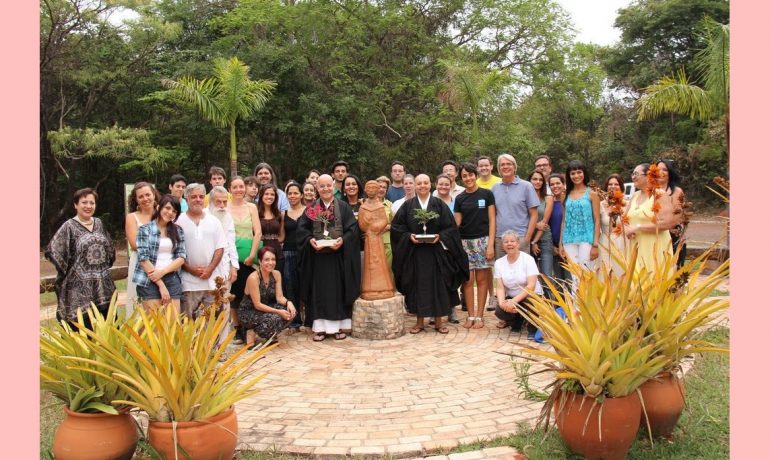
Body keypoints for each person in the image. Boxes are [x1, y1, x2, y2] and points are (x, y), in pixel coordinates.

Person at [391, 174, 469, 334]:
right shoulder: (408, 206)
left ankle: (439, 322)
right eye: (419, 183)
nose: (422, 186)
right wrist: (408, 236)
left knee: (438, 285)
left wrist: (440, 236)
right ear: (414, 185)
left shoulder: (438, 204)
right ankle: (419, 322)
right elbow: (397, 228)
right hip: (416, 253)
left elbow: (450, 228)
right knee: (417, 286)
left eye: (425, 182)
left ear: (430, 184)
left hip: (436, 252)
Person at [297, 174, 361, 341]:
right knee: (320, 291)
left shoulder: (343, 206)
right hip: (318, 259)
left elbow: (353, 230)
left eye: (328, 185)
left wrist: (343, 240)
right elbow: (302, 230)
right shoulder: (313, 208)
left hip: (338, 257)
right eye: (322, 186)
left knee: (338, 290)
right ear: (317, 188)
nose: (325, 189)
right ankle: (320, 328)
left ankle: (339, 327)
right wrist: (310, 240)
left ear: (333, 186)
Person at [46, 188, 116, 329]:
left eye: (92, 203)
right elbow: (53, 250)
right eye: (84, 202)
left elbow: (109, 249)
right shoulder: (69, 226)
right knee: (83, 329)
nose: (88, 206)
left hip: (103, 286)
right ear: (75, 205)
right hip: (78, 289)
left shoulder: (99, 224)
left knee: (106, 330)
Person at [454, 163, 496, 329]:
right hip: (465, 243)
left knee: (482, 279)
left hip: (483, 241)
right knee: (468, 280)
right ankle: (470, 315)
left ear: (475, 175)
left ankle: (479, 316)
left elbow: (492, 220)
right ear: (461, 178)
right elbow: (457, 222)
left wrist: (491, 244)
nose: (468, 178)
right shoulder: (460, 198)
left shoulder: (487, 194)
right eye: (464, 176)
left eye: (470, 175)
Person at [176, 183, 227, 318]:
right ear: (187, 199)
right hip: (188, 282)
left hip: (212, 281)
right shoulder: (178, 221)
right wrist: (189, 268)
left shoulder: (214, 221)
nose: (197, 199)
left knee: (212, 322)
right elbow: (175, 250)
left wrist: (210, 268)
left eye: (200, 196)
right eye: (193, 197)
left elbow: (220, 247)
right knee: (188, 322)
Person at [133, 194, 186, 312]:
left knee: (173, 324)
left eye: (174, 211)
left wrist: (162, 272)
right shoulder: (144, 230)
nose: (170, 212)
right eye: (167, 208)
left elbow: (181, 257)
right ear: (159, 207)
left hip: (171, 278)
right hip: (149, 280)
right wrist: (161, 285)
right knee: (154, 325)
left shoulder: (178, 230)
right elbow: (143, 259)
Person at [238, 247, 297, 348]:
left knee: (290, 312)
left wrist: (289, 303)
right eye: (267, 260)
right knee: (275, 317)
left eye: (273, 259)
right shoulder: (254, 277)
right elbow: (257, 305)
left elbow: (279, 297)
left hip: (264, 308)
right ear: (260, 261)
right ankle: (250, 332)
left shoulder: (276, 274)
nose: (271, 262)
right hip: (248, 311)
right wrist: (278, 312)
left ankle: (270, 334)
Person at [227, 177, 262, 343]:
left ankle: (249, 326)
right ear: (230, 189)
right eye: (235, 187)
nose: (239, 190)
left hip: (249, 256)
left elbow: (258, 232)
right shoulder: (225, 208)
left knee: (249, 293)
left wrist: (252, 254)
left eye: (241, 186)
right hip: (231, 257)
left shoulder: (252, 207)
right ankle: (236, 327)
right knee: (235, 293)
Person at [623, 163, 676, 271]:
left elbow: (667, 223)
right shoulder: (635, 195)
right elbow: (625, 218)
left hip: (654, 245)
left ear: (648, 176)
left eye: (636, 174)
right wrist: (625, 227)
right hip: (635, 245)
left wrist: (637, 227)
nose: (633, 177)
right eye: (632, 174)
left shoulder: (660, 194)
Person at [493, 231, 544, 339]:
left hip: (531, 295)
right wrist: (502, 303)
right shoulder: (499, 263)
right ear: (503, 245)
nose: (509, 244)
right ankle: (516, 320)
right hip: (512, 297)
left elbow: (531, 286)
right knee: (499, 311)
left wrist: (514, 301)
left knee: (532, 303)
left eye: (512, 241)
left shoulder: (528, 259)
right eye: (506, 242)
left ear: (518, 244)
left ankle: (533, 328)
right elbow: (500, 287)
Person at [207, 185, 239, 341]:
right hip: (206, 270)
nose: (221, 206)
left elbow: (231, 242)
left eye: (224, 202)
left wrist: (234, 267)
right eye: (218, 202)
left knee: (225, 306)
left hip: (225, 268)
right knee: (208, 307)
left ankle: (222, 344)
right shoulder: (203, 217)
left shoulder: (228, 217)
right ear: (211, 202)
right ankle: (207, 343)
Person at [559, 160, 600, 280]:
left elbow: (597, 220)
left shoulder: (592, 194)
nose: (576, 176)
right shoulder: (565, 195)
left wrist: (595, 244)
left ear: (584, 173)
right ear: (569, 176)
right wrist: (561, 243)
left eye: (579, 172)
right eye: (573, 173)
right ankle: (574, 299)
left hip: (586, 239)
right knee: (574, 275)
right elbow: (563, 221)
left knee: (586, 274)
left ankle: (587, 299)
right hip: (569, 239)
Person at [492, 153, 539, 256]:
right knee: (502, 271)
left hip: (520, 238)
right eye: (502, 164)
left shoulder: (526, 186)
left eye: (508, 164)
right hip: (500, 239)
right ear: (499, 168)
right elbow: (493, 215)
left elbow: (534, 214)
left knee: (521, 271)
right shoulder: (495, 188)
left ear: (514, 167)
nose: (505, 166)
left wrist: (527, 238)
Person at [358, 181, 397, 299]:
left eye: (373, 188)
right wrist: (366, 222)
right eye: (368, 188)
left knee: (381, 263)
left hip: (378, 239)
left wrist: (377, 226)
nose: (371, 190)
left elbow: (384, 220)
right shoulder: (363, 206)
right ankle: (369, 290)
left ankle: (385, 288)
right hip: (369, 239)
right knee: (370, 264)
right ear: (365, 190)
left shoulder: (380, 206)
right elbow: (361, 224)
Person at [125, 182, 158, 313]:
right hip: (139, 263)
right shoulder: (132, 217)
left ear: (154, 195)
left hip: (161, 262)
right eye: (141, 196)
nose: (145, 199)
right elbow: (134, 244)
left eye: (148, 195)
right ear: (136, 199)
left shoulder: (163, 214)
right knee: (139, 306)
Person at [655, 158, 687, 268]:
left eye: (665, 170)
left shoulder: (677, 192)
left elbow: (679, 216)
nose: (661, 172)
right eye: (658, 169)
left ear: (670, 173)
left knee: (673, 269)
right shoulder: (649, 190)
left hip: (672, 234)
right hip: (652, 233)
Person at [283, 181, 305, 329]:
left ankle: (309, 318)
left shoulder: (309, 210)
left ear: (301, 194)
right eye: (290, 193)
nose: (292, 196)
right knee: (290, 286)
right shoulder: (283, 213)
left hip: (305, 252)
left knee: (306, 284)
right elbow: (281, 236)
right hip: (288, 252)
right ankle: (295, 321)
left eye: (295, 193)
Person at [598, 174, 627, 276]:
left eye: (616, 184)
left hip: (622, 242)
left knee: (620, 272)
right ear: (606, 187)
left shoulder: (627, 204)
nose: (613, 186)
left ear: (621, 187)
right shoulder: (600, 205)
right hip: (605, 242)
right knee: (605, 273)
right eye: (610, 184)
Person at [527, 170, 553, 279]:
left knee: (546, 275)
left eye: (541, 180)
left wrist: (534, 242)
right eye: (535, 179)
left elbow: (544, 223)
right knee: (531, 276)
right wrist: (531, 241)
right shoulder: (524, 199)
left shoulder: (548, 198)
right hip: (527, 240)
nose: (538, 182)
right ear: (529, 181)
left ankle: (548, 296)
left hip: (544, 239)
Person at [548, 173, 571, 290]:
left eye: (558, 183)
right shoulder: (550, 203)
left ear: (564, 184)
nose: (555, 186)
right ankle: (561, 307)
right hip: (554, 246)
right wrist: (552, 246)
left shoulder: (570, 201)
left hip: (569, 245)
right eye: (552, 184)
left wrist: (563, 245)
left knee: (570, 278)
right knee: (559, 279)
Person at [257, 183, 286, 275]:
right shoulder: (255, 213)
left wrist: (273, 240)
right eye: (266, 194)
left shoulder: (279, 215)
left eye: (272, 194)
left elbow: (282, 236)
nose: (269, 196)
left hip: (277, 253)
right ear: (261, 195)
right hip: (260, 252)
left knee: (277, 280)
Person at [375, 175, 394, 267]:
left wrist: (387, 226)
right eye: (379, 187)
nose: (381, 189)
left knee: (388, 270)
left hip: (387, 244)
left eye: (384, 187)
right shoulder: (366, 203)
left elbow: (396, 225)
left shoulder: (390, 205)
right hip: (372, 243)